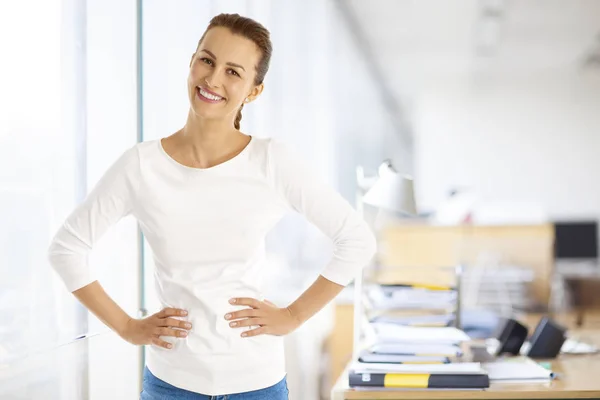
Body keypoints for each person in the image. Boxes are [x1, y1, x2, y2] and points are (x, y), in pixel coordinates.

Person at [48, 13, 376, 400]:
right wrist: (127, 327)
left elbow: (356, 240)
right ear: (191, 62)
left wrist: (292, 316)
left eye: (234, 71)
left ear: (253, 91)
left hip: (256, 383)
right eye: (207, 60)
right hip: (171, 383)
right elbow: (66, 249)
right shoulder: (141, 165)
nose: (214, 79)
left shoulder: (271, 161)